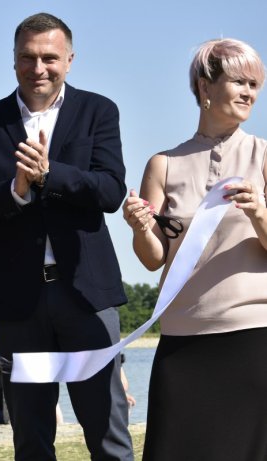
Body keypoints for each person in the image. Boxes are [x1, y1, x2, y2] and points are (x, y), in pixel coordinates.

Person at [0, 12, 133, 460]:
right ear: (13, 61)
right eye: (27, 58)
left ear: (69, 59)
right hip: (19, 305)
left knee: (106, 430)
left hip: (86, 298)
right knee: (30, 436)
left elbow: (110, 190)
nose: (39, 68)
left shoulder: (98, 111)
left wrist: (50, 175)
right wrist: (14, 191)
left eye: (49, 58)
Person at [122, 38, 267, 461]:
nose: (249, 93)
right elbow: (153, 259)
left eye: (255, 85)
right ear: (205, 87)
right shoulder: (162, 164)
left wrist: (260, 211)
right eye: (238, 81)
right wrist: (140, 227)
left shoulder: (263, 156)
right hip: (183, 342)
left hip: (253, 339)